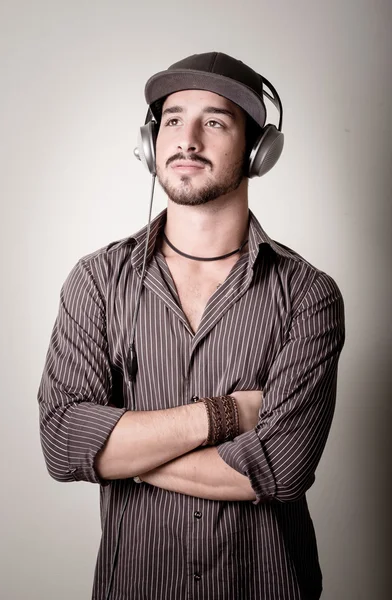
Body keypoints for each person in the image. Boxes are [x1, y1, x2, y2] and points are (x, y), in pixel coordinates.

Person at [38, 52, 345, 600]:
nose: (188, 139)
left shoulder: (308, 294)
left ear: (258, 152)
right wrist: (227, 415)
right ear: (149, 142)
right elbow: (64, 444)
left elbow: (279, 469)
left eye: (216, 121)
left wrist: (122, 453)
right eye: (173, 119)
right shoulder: (97, 281)